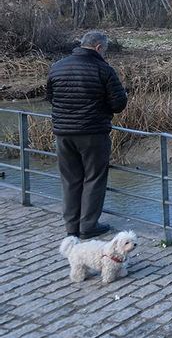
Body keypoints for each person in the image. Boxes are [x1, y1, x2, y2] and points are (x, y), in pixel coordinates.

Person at [46, 31, 127, 239]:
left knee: (70, 180)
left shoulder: (57, 66)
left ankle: (71, 227)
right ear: (99, 47)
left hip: (63, 133)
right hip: (93, 133)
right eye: (105, 50)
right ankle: (88, 226)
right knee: (94, 178)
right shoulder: (104, 69)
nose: (105, 54)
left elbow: (50, 98)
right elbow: (119, 104)